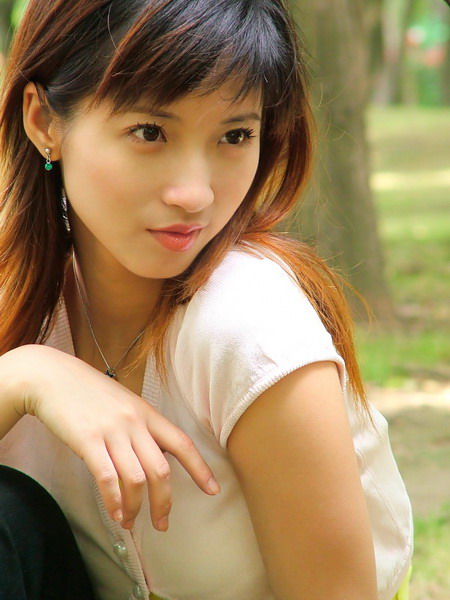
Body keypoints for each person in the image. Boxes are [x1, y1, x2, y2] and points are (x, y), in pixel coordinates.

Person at [0, 1, 413, 599]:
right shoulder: (20, 299)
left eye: (235, 135)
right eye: (150, 132)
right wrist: (24, 376)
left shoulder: (248, 326)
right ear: (44, 121)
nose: (194, 194)